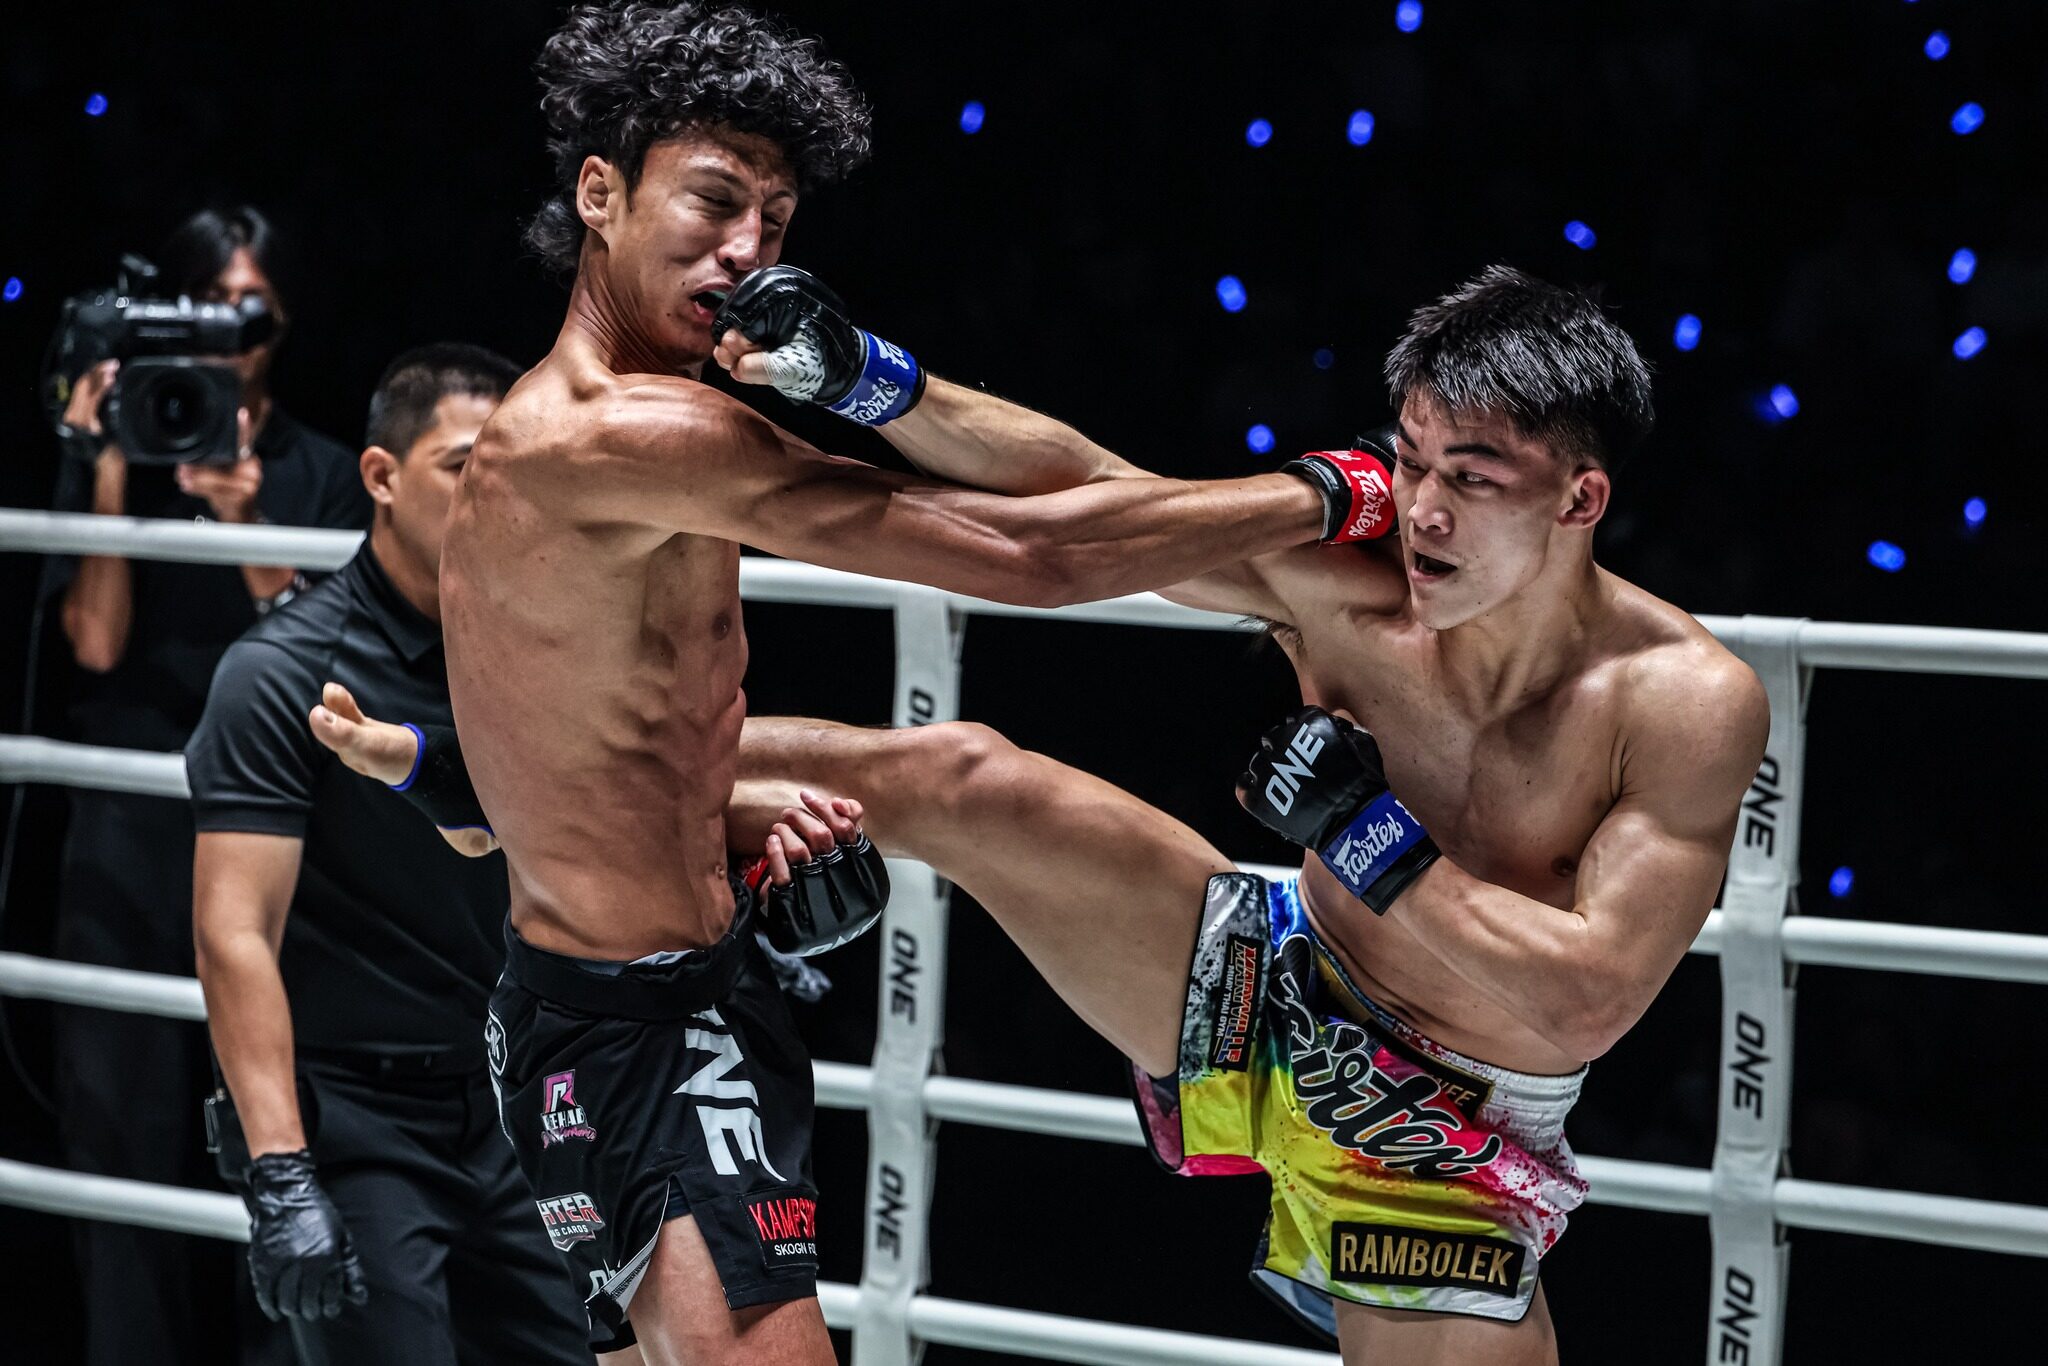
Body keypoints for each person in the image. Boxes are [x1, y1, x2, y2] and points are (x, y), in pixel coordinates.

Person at [324, 265, 1769, 1366]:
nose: (1424, 509)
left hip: (1437, 1118)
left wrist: (1372, 837)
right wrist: (871, 379)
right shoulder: (1356, 577)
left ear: (1579, 497)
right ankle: (496, 776)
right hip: (1277, 971)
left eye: (1475, 479)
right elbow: (1094, 494)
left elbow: (1585, 995)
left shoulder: (1683, 700)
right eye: (1412, 458)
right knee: (964, 775)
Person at [431, 4, 1384, 1360]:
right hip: (642, 1032)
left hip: (655, 988)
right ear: (600, 193)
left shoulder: (631, 424)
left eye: (774, 219)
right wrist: (1328, 496)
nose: (747, 250)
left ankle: (1238, 1059)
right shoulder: (627, 433)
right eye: (712, 201)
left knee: (957, 771)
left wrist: (746, 856)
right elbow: (1031, 554)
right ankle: (1285, 1066)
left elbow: (593, 740)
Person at [185, 344, 592, 1366]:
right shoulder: (282, 673)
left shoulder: (550, 653)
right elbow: (234, 932)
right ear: (379, 475)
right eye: (462, 467)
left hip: (525, 1095)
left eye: (512, 468)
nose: (494, 493)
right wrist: (281, 1171)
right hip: (354, 1118)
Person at [38, 203, 368, 1366]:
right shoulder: (124, 445)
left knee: (275, 1136)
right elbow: (92, 641)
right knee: (119, 1135)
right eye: (205, 318)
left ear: (283, 326)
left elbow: (334, 671)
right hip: (130, 823)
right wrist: (107, 462)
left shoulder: (326, 471)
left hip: (277, 827)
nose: (231, 347)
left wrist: (243, 517)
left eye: (251, 321)